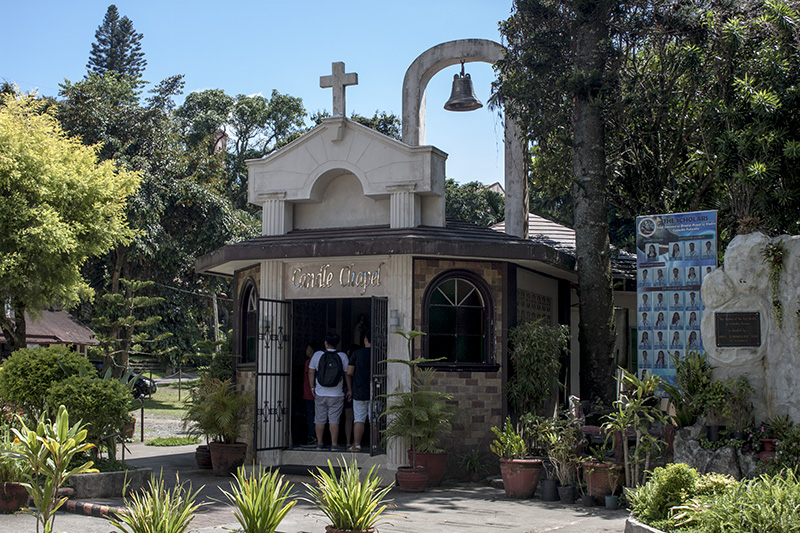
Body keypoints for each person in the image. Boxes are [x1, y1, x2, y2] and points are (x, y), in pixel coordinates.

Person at [308, 332, 350, 451]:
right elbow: (347, 374)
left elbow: (311, 372)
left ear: (325, 343)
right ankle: (334, 444)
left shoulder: (317, 355)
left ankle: (320, 443)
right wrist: (350, 389)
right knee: (334, 419)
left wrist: (312, 388)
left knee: (319, 419)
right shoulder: (342, 356)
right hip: (337, 394)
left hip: (320, 392)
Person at [346, 332, 372, 452]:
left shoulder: (357, 353)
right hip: (375, 391)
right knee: (375, 419)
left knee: (359, 419)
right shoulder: (379, 354)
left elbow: (349, 372)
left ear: (365, 339)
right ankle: (376, 445)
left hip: (359, 390)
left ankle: (356, 444)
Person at [303, 341, 322, 446]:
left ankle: (312, 436)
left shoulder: (309, 362)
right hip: (320, 391)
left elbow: (310, 374)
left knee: (311, 415)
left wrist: (311, 389)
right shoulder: (321, 360)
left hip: (310, 392)